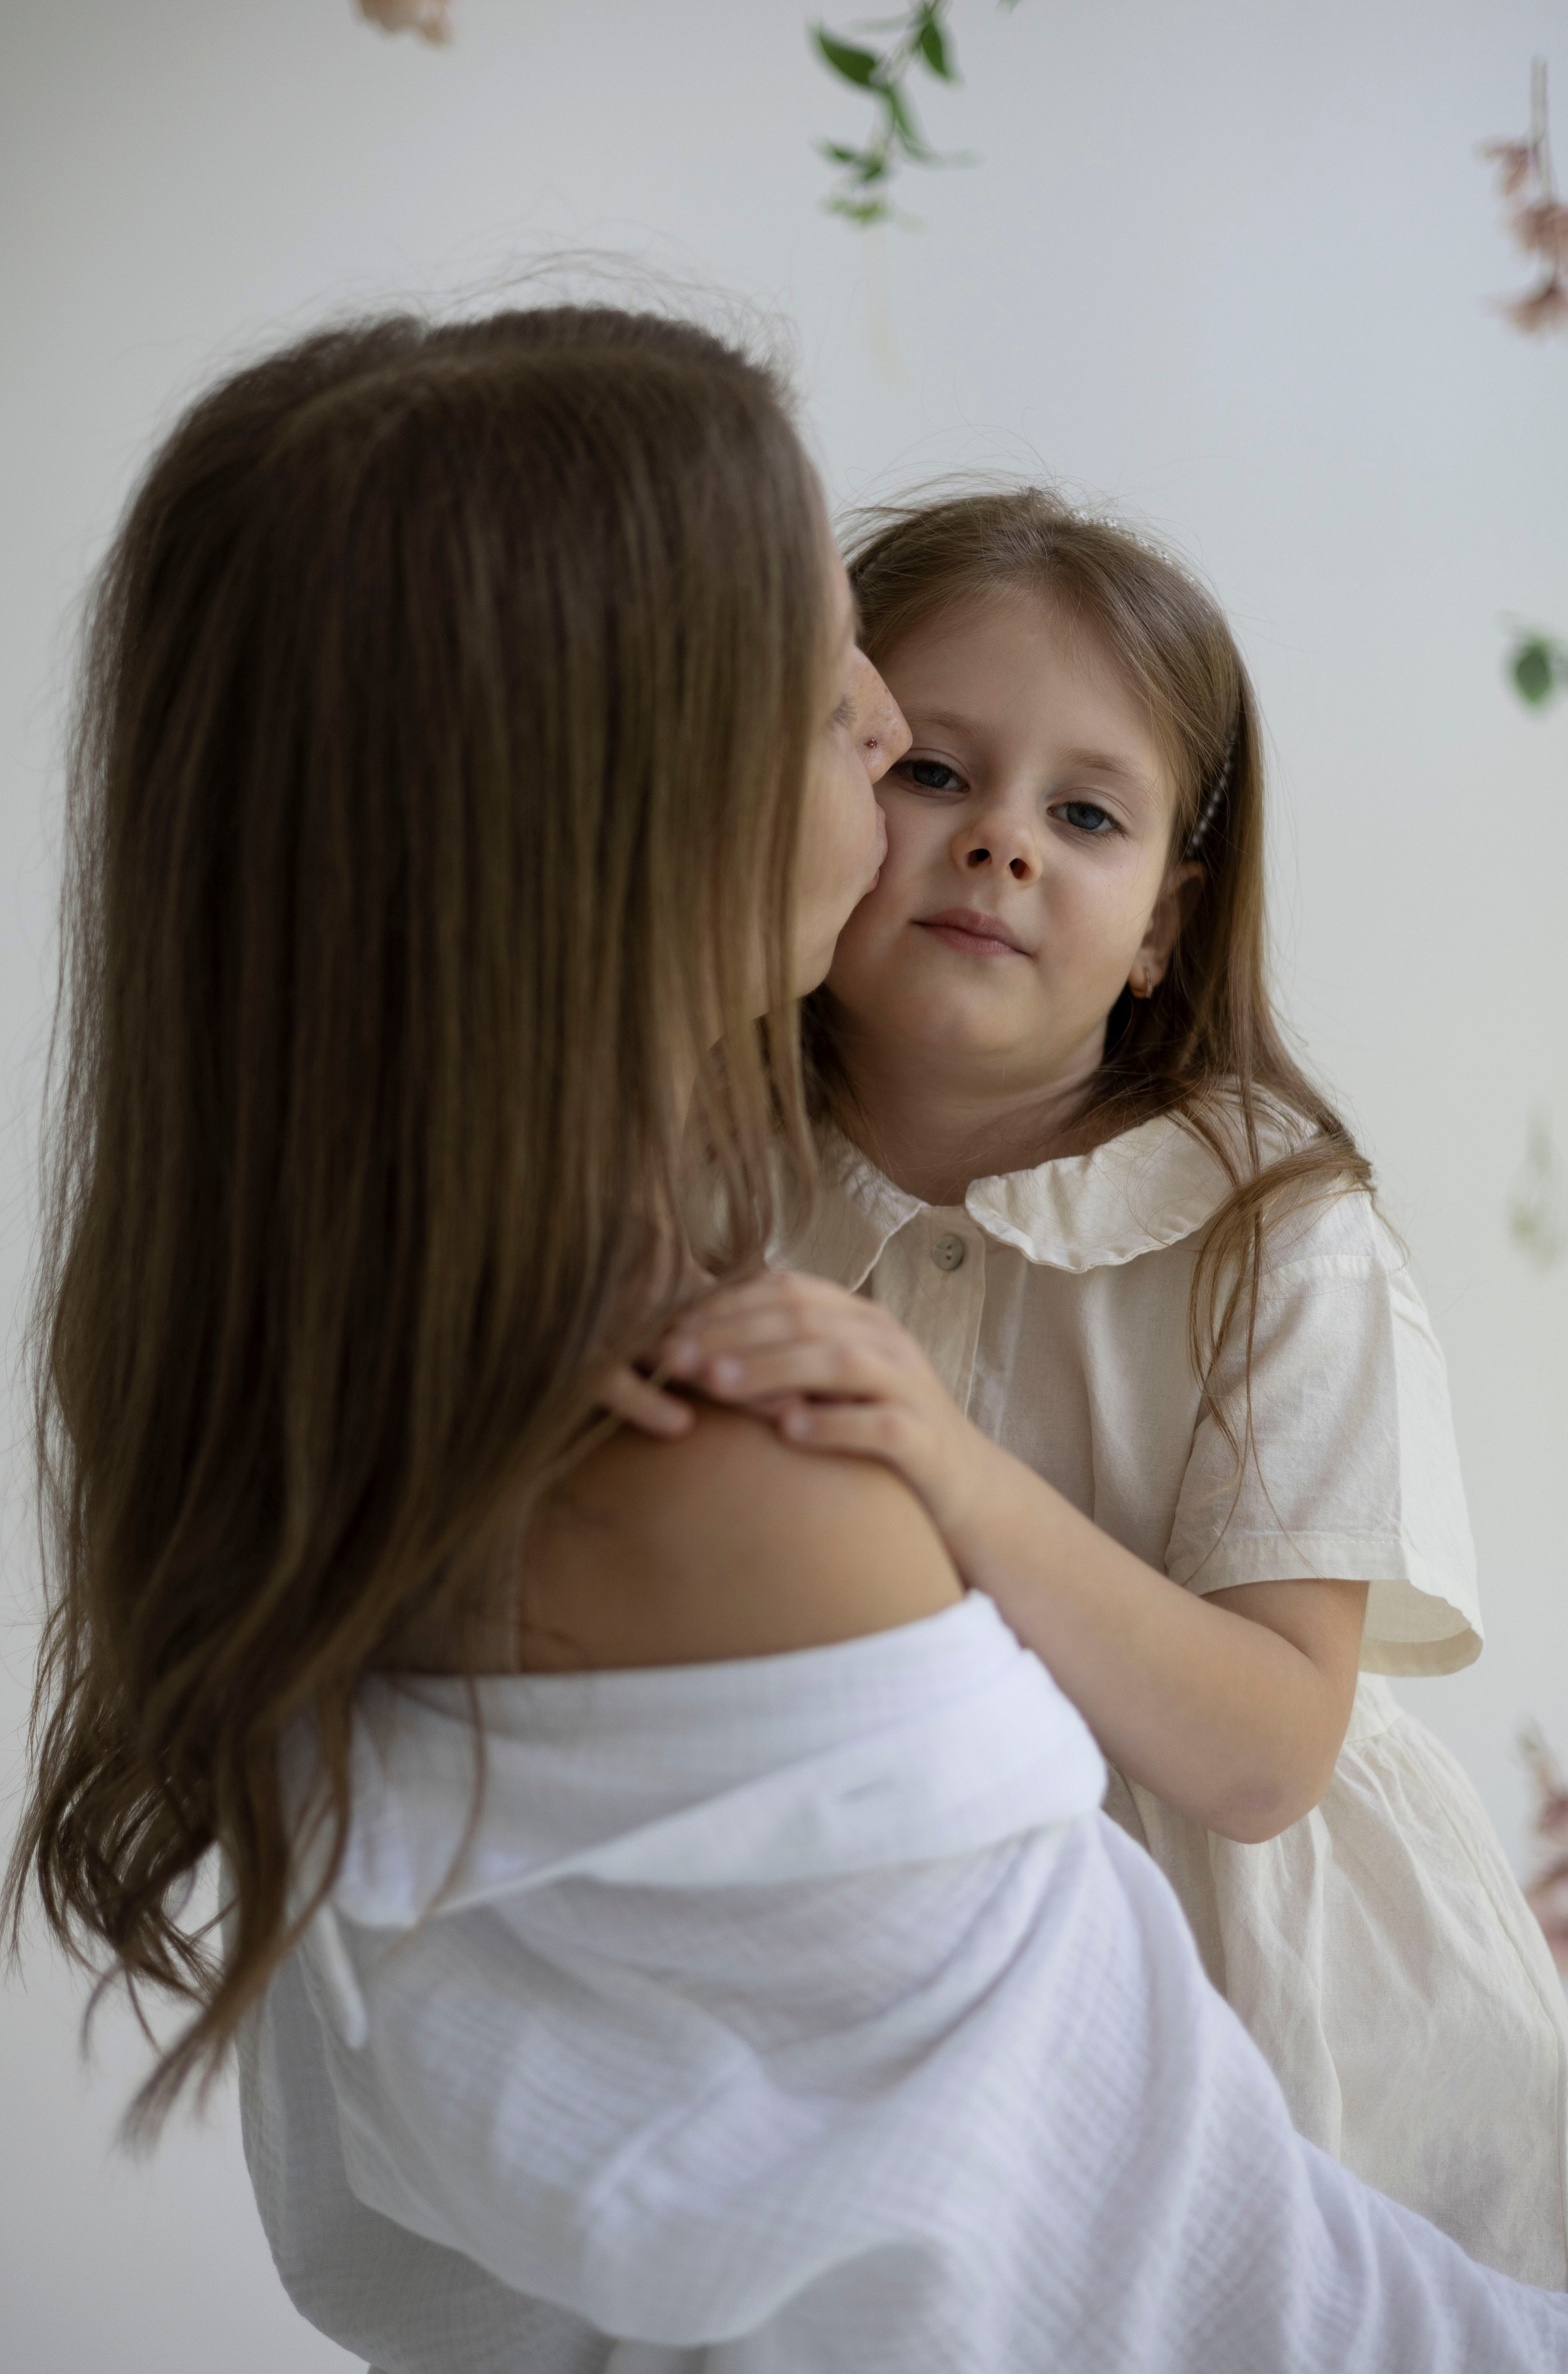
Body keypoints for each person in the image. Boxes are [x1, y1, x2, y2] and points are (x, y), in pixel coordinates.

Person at [1, 310, 1568, 2373]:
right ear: (635, 803)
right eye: (868, 715)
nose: (931, 777)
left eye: (1092, 815)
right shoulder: (738, 1385)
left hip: (1318, 2059)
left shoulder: (391, 1391)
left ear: (1170, 921)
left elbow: (1261, 1793)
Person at [652, 485, 1568, 2287]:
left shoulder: (1272, 1235)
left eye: (1084, 815)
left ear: (1163, 924)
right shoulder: (703, 1181)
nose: (1001, 843)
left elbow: (1267, 1754)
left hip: (1275, 2046)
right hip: (904, 1997)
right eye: (934, 773)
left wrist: (955, 1475)